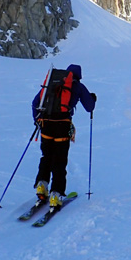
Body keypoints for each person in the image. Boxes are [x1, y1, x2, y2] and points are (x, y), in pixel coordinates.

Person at [31, 64, 96, 208]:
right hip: (62, 126)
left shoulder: (51, 84)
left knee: (46, 156)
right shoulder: (78, 86)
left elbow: (35, 102)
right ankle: (56, 195)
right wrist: (93, 98)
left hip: (46, 125)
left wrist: (37, 121)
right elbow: (89, 107)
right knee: (60, 160)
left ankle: (41, 186)